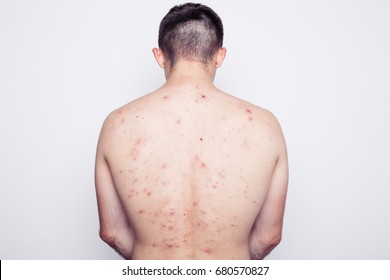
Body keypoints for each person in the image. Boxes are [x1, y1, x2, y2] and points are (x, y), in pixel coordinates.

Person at [95, 3, 288, 260]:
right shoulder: (265, 126)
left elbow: (112, 231)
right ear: (220, 56)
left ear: (160, 55)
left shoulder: (116, 125)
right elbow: (268, 237)